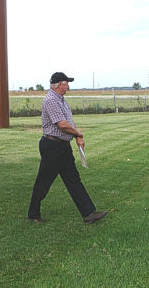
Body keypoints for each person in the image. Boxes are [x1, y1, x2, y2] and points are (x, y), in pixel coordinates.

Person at [27, 72, 108, 224]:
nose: (68, 86)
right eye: (66, 83)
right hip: (52, 147)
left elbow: (69, 121)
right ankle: (33, 213)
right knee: (44, 182)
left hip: (63, 147)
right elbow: (62, 125)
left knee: (74, 180)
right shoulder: (51, 100)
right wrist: (79, 133)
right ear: (58, 85)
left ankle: (89, 213)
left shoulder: (62, 101)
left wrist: (77, 136)